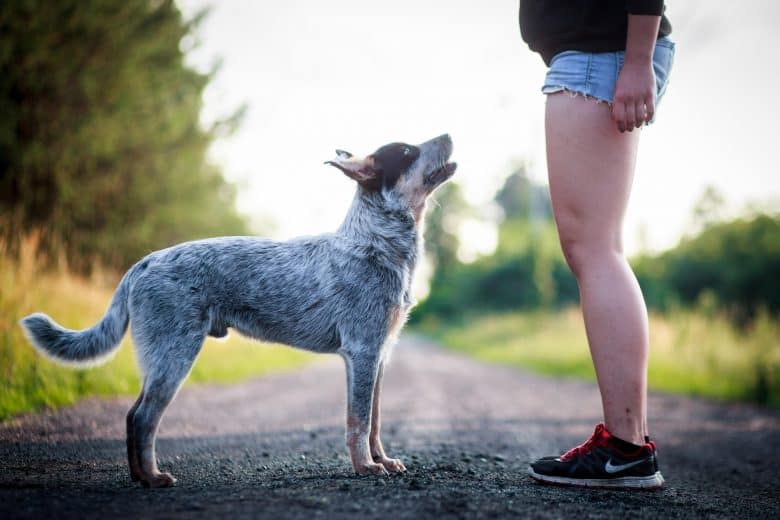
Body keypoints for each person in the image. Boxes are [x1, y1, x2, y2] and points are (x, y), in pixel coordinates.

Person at [518, 0, 675, 489]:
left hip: (600, 57)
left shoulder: (611, 57)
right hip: (600, 56)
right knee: (597, 246)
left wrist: (636, 60)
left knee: (594, 248)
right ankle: (626, 442)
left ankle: (625, 447)